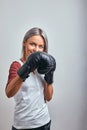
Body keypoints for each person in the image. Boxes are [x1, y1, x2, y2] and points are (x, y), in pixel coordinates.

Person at [5, 27, 56, 130]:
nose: (36, 50)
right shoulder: (17, 65)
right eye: (32, 44)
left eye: (40, 46)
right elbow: (9, 93)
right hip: (23, 125)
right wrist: (27, 67)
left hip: (44, 122)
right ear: (24, 43)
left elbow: (48, 97)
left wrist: (50, 74)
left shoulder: (43, 67)